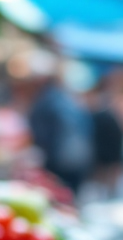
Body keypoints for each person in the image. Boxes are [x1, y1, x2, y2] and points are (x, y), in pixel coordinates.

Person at [28, 55, 93, 194]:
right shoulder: (68, 99)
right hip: (78, 160)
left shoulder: (49, 101)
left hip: (60, 161)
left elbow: (42, 135)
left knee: (58, 194)